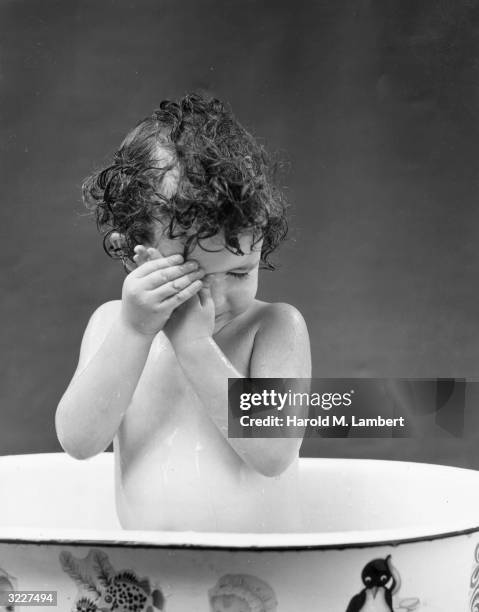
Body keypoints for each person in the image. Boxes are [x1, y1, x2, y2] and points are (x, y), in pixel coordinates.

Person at [55, 93, 311, 532]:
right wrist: (135, 332)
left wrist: (194, 346)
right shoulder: (113, 326)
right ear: (134, 254)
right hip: (147, 572)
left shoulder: (273, 328)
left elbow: (273, 454)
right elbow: (79, 442)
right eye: (190, 274)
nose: (215, 297)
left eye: (238, 273)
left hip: (261, 572)